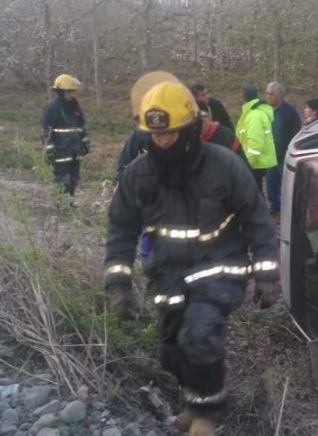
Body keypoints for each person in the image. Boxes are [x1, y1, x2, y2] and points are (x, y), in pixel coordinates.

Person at [103, 80, 280, 436]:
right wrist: (118, 283)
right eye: (156, 135)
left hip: (220, 269)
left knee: (199, 335)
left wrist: (267, 274)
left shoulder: (224, 166)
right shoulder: (139, 175)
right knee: (171, 351)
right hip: (168, 275)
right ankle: (193, 401)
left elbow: (257, 218)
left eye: (170, 133)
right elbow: (121, 228)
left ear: (190, 129)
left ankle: (206, 415)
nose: (163, 141)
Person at [41, 74, 89, 196]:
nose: (72, 94)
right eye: (69, 91)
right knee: (62, 182)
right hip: (60, 153)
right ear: (61, 92)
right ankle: (62, 205)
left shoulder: (75, 106)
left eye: (73, 91)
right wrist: (49, 149)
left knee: (74, 180)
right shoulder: (53, 108)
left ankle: (70, 203)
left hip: (75, 152)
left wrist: (85, 142)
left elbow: (81, 126)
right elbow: (46, 131)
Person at [264, 81, 302, 215]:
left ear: (279, 95)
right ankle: (275, 206)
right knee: (271, 181)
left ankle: (291, 209)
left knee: (288, 183)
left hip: (285, 155)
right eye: (267, 93)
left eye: (271, 94)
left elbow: (296, 133)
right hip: (270, 155)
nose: (268, 96)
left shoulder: (289, 112)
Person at [235, 84, 276, 192]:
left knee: (253, 194)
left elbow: (255, 142)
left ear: (243, 97)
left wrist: (246, 165)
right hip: (255, 163)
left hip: (253, 165)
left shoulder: (254, 115)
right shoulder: (253, 113)